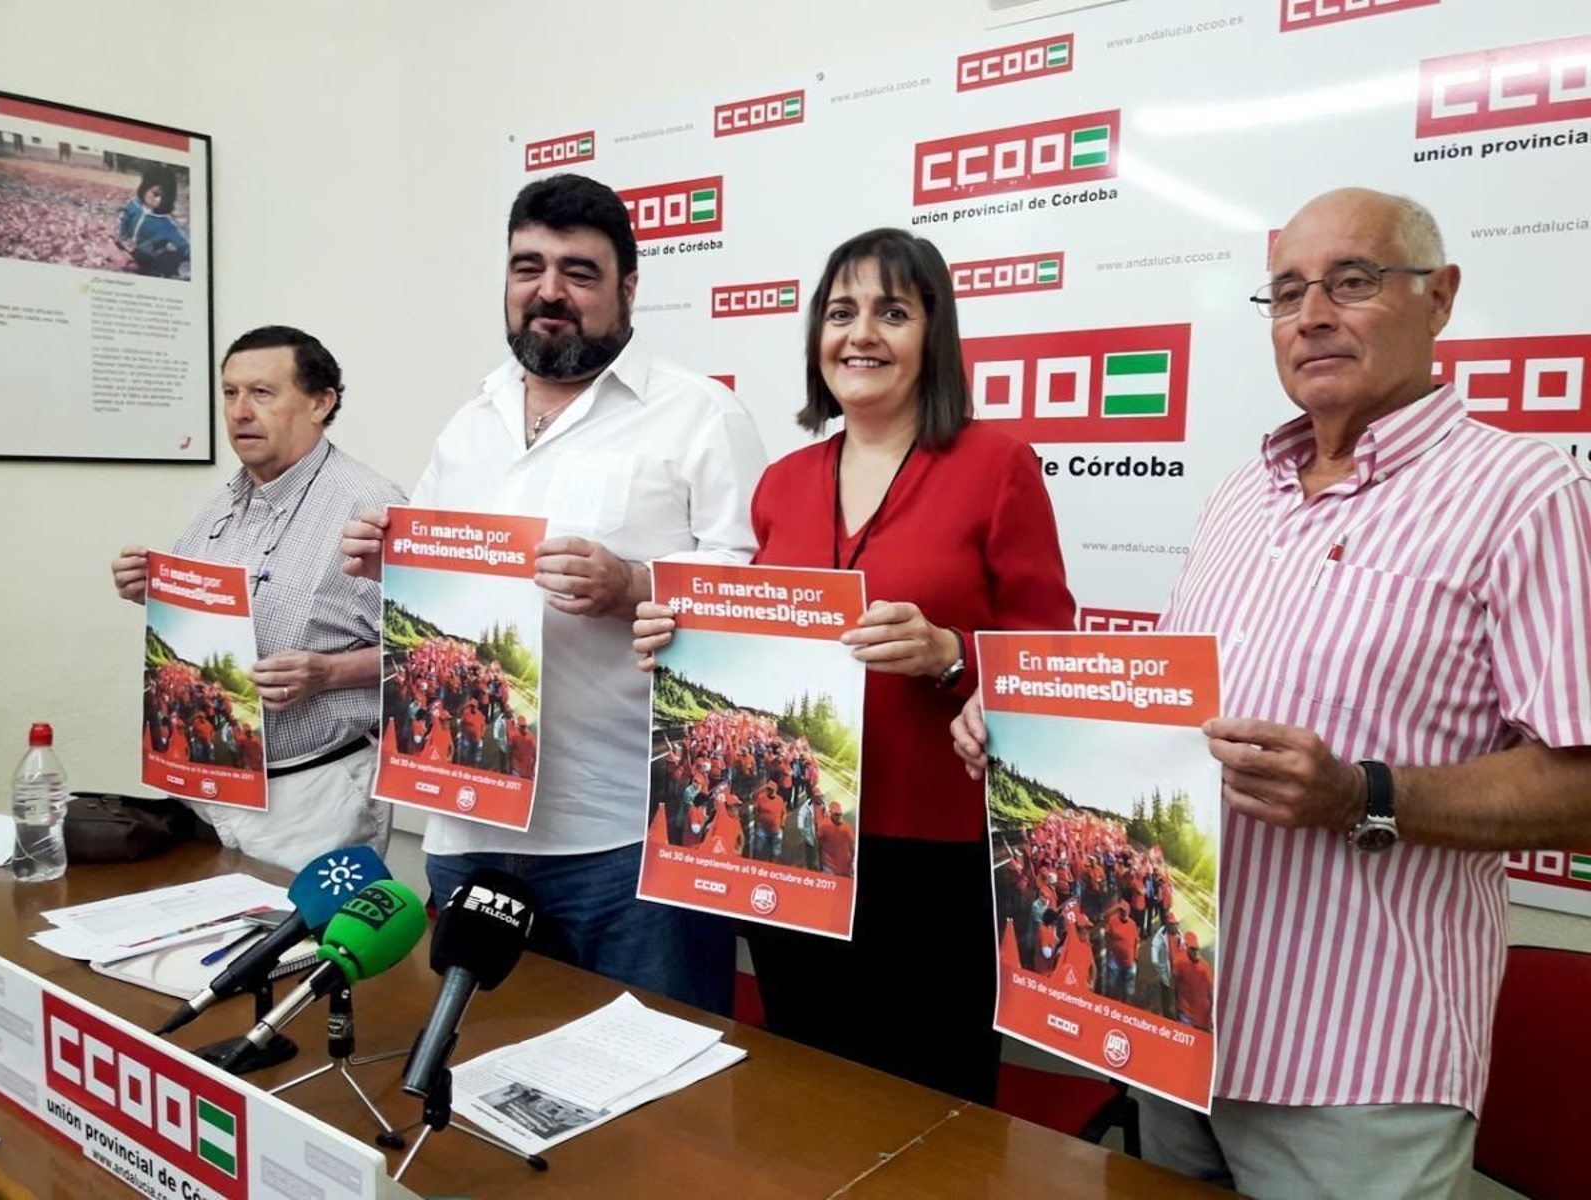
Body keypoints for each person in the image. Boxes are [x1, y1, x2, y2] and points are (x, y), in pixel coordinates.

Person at [952, 188, 1591, 1197]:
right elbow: (1153, 721)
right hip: (1176, 1026)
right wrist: (1028, 725)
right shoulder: (1237, 497)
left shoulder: (1522, 495)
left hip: (1357, 1061)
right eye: (1287, 291)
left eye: (1352, 282)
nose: (1312, 314)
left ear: (1440, 298)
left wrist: (1366, 795)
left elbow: (1582, 783)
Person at [634, 228, 1075, 1103]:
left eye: (892, 312)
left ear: (933, 336)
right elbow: (759, 643)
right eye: (841, 313)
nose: (860, 333)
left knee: (930, 1101)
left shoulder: (997, 467)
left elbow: (1050, 659)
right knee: (804, 1085)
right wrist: (679, 639)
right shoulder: (784, 482)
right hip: (794, 844)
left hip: (938, 858)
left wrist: (951, 656)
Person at [339, 173, 764, 1016]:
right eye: (528, 266)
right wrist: (388, 558)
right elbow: (439, 587)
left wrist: (634, 586)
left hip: (627, 839)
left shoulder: (699, 415)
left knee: (655, 1103)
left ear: (628, 289)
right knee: (488, 1075)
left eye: (579, 271)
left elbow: (760, 606)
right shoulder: (472, 420)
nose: (549, 291)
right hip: (466, 819)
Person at [111, 326, 402, 871]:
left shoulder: (370, 507)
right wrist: (153, 591)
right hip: (210, 781)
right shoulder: (222, 504)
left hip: (311, 794)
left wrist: (329, 673)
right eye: (230, 393)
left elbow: (429, 650)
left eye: (262, 393)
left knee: (301, 954)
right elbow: (207, 623)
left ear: (321, 402)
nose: (240, 411)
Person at [114, 166, 189, 278]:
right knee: (108, 249)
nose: (159, 200)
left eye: (165, 197)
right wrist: (122, 236)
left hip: (145, 260)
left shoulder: (166, 223)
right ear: (145, 187)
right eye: (156, 194)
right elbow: (123, 220)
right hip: (125, 246)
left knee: (127, 265)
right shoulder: (134, 205)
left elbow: (185, 245)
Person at [1172, 931, 1213, 1032]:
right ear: (1186, 947)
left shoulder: (1205, 967)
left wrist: (1210, 1014)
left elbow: (1211, 993)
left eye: (1197, 949)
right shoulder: (1179, 962)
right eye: (1192, 949)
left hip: (1202, 1018)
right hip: (1186, 1016)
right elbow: (1174, 985)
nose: (1195, 952)